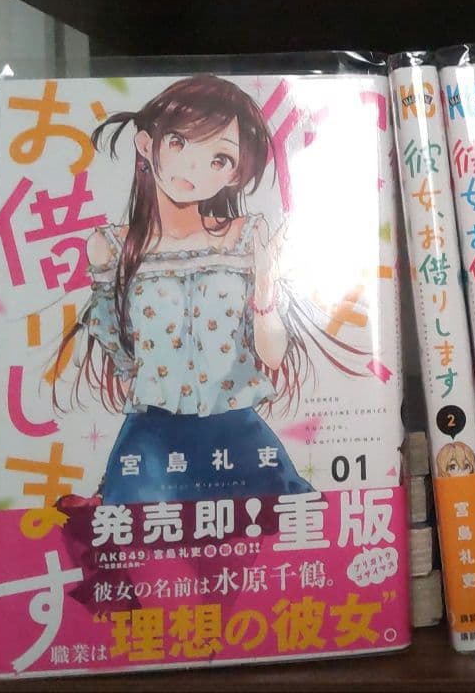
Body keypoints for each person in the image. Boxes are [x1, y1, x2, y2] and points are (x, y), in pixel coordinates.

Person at [60, 75, 365, 505]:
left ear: (235, 173)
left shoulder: (245, 237)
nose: (194, 167)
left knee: (286, 527)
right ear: (146, 144)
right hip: (152, 436)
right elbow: (120, 352)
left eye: (219, 159)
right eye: (179, 142)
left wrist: (265, 287)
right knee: (141, 531)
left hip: (236, 430)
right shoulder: (110, 248)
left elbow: (272, 355)